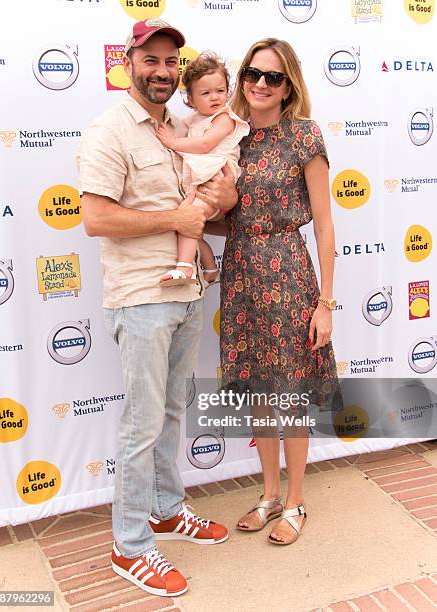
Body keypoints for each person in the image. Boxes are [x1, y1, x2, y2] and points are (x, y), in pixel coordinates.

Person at [77, 19, 237, 598]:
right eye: (152, 60)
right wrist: (176, 220)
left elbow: (201, 216)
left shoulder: (182, 127)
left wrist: (220, 206)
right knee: (142, 423)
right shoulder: (109, 130)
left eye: (172, 62)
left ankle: (167, 510)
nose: (163, 72)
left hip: (187, 290)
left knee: (171, 411)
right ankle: (130, 546)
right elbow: (95, 218)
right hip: (142, 297)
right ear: (127, 62)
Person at [207, 38, 339, 545]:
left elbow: (325, 226)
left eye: (273, 77)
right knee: (262, 392)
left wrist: (325, 303)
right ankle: (268, 495)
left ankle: (297, 501)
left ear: (289, 87)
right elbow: (229, 223)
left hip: (287, 275)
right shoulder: (231, 141)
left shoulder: (304, 136)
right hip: (241, 276)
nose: (260, 84)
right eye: (253, 74)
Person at [156, 51, 249, 287]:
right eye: (205, 93)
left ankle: (185, 267)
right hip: (200, 180)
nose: (215, 97)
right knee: (189, 224)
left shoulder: (225, 117)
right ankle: (208, 266)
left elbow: (206, 144)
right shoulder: (193, 119)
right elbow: (178, 128)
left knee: (191, 216)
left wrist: (172, 143)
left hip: (217, 177)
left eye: (220, 90)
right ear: (191, 99)